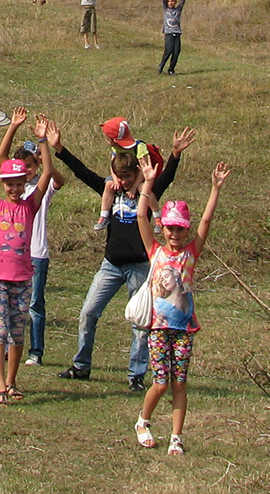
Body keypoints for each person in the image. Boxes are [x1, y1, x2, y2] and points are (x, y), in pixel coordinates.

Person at [51, 120, 196, 389]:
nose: (123, 181)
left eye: (128, 176)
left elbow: (167, 177)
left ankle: (135, 376)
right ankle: (81, 366)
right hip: (111, 265)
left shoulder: (147, 194)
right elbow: (82, 172)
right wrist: (59, 148)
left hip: (139, 267)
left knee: (140, 323)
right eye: (120, 176)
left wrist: (175, 153)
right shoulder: (111, 190)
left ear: (138, 174)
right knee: (88, 312)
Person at [132, 156, 231, 456]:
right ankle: (143, 421)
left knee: (179, 383)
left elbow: (206, 223)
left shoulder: (191, 253)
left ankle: (176, 437)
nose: (175, 235)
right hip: (158, 328)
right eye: (170, 229)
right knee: (161, 383)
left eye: (180, 230)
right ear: (163, 228)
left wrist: (215, 190)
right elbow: (141, 217)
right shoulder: (155, 251)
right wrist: (148, 183)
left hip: (184, 329)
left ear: (186, 231)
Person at [0, 114, 56, 404]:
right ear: (3, 184)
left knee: (17, 334)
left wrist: (42, 140)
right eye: (9, 185)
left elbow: (47, 172)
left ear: (24, 182)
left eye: (19, 184)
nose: (15, 189)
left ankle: (12, 382)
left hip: (22, 279)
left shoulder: (30, 206)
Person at [0, 108, 65, 364]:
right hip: (12, 255)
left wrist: (43, 142)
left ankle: (36, 352)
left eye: (29, 166)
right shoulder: (14, 187)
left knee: (34, 305)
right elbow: (1, 156)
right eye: (21, 168)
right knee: (8, 305)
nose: (25, 171)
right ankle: (5, 348)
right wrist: (13, 126)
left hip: (36, 254)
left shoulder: (40, 189)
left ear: (37, 165)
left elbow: (56, 176)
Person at [158, 0, 188, 75]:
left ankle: (171, 69)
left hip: (177, 32)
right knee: (169, 50)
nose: (171, 3)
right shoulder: (166, 9)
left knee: (176, 51)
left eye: (172, 1)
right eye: (169, 1)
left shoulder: (178, 9)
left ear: (175, 2)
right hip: (169, 33)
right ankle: (161, 65)